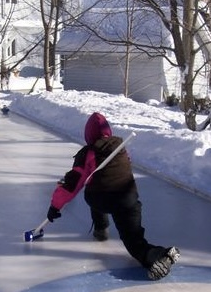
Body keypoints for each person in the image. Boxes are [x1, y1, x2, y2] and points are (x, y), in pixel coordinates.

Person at [46, 112, 180, 280]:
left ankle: (101, 229)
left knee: (92, 188)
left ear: (89, 134)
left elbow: (72, 183)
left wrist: (54, 206)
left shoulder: (87, 153)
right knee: (133, 240)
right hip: (128, 198)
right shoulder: (121, 148)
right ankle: (158, 255)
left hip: (102, 200)